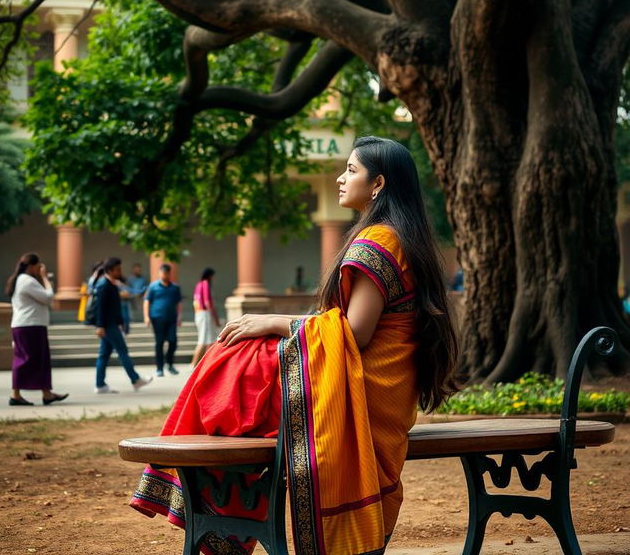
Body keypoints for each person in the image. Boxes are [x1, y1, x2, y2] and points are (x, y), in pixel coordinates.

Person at [131, 136, 458, 555]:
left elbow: (355, 332)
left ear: (377, 185)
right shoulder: (399, 237)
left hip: (365, 391)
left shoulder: (379, 241)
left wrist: (272, 322)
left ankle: (213, 513)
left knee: (234, 363)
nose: (341, 178)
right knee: (238, 361)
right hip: (381, 388)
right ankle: (217, 508)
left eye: (351, 171)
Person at [5, 252, 69, 406]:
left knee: (38, 360)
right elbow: (48, 297)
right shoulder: (27, 281)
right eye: (38, 266)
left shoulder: (21, 280)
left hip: (27, 325)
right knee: (25, 361)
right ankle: (16, 395)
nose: (40, 269)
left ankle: (46, 393)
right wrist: (46, 279)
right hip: (30, 326)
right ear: (32, 266)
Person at [93, 256, 152, 394]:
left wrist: (119, 322)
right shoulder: (104, 285)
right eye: (118, 269)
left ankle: (100, 384)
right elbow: (100, 308)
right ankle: (135, 380)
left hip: (111, 324)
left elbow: (115, 306)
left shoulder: (112, 283)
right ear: (110, 270)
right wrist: (100, 326)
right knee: (122, 351)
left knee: (104, 354)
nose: (120, 271)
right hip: (108, 325)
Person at [144, 264, 183, 376]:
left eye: (167, 273)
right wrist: (146, 317)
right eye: (163, 273)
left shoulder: (175, 288)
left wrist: (179, 316)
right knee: (159, 342)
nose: (164, 275)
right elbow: (147, 301)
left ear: (169, 274)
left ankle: (169, 364)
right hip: (157, 318)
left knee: (173, 341)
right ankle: (159, 368)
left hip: (171, 319)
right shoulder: (153, 287)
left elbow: (179, 302)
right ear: (159, 273)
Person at [190, 268, 221, 367]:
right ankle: (194, 363)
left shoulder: (198, 285)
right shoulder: (205, 284)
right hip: (205, 314)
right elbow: (208, 302)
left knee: (209, 340)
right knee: (203, 340)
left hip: (199, 314)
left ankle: (207, 363)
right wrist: (215, 316)